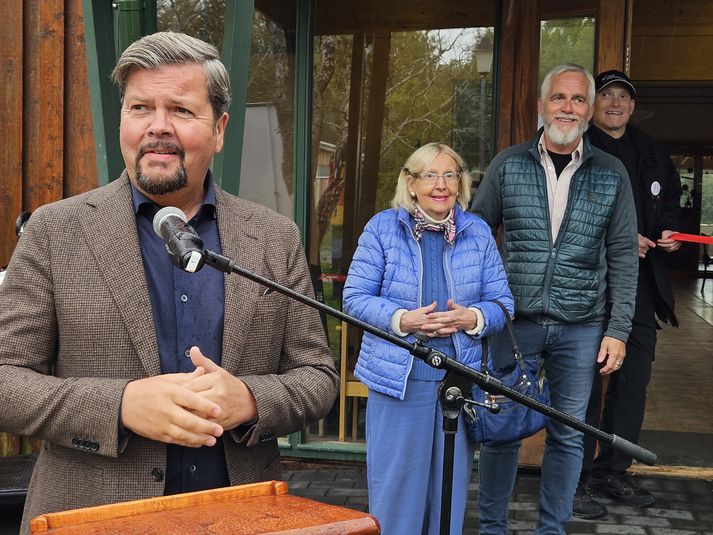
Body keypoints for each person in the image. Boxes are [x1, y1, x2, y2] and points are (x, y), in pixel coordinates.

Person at [0, 31, 338, 533]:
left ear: (220, 129)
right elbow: (6, 380)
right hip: (91, 518)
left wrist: (248, 399)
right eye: (140, 108)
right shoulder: (55, 231)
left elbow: (318, 378)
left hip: (242, 515)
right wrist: (120, 405)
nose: (157, 128)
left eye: (180, 110)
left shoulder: (272, 236)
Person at [471, 64, 639, 534]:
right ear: (542, 106)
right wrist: (478, 312)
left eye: (579, 99)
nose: (569, 107)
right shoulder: (509, 163)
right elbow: (476, 237)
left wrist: (617, 330)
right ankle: (491, 528)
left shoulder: (611, 172)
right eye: (560, 98)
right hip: (513, 320)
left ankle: (552, 529)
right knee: (502, 428)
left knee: (568, 434)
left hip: (582, 324)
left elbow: (625, 255)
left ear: (588, 111)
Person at [343, 143, 513, 534]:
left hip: (457, 384)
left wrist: (473, 317)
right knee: (396, 498)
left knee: (448, 499)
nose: (441, 184)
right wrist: (404, 320)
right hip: (399, 384)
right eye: (430, 175)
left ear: (461, 184)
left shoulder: (478, 231)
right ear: (411, 183)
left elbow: (503, 303)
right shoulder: (383, 228)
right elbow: (354, 299)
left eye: (450, 175)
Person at [573, 70, 681, 519]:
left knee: (632, 383)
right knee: (582, 387)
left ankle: (612, 471)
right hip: (587, 286)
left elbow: (672, 199)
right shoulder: (578, 148)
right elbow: (568, 216)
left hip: (638, 288)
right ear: (591, 104)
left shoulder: (651, 150)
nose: (615, 103)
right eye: (606, 95)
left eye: (623, 97)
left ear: (633, 106)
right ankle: (574, 479)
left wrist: (671, 231)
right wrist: (618, 239)